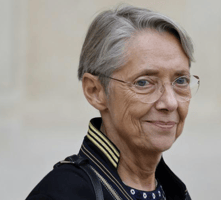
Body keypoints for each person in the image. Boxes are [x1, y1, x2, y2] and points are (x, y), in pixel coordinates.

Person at [26, 5, 200, 200]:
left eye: (181, 81)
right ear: (95, 91)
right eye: (143, 82)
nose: (170, 102)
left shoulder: (172, 191)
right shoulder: (62, 194)